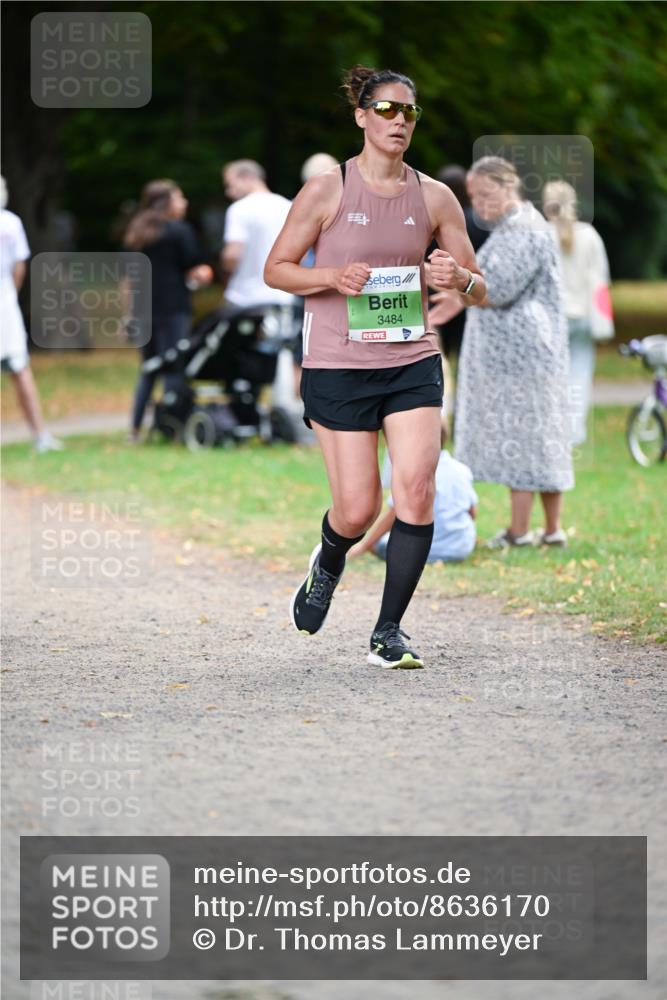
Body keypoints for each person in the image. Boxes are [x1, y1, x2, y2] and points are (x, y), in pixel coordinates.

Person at [264, 65, 485, 668]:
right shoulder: (328, 190)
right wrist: (331, 276)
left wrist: (456, 278)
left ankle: (388, 632)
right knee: (358, 509)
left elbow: (479, 287)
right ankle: (330, 557)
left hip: (411, 360)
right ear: (362, 117)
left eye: (409, 113)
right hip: (338, 363)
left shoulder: (435, 196)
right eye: (386, 110)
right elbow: (276, 268)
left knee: (417, 490)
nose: (399, 122)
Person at [451, 156, 574, 549]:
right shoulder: (514, 228)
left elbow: (495, 289)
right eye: (473, 197)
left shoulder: (523, 229)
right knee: (542, 437)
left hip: (523, 354)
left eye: (485, 195)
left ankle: (521, 532)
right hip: (528, 352)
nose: (479, 205)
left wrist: (455, 284)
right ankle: (550, 530)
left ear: (508, 187)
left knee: (524, 439)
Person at [123, 179, 211, 441]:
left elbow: (128, 279)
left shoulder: (136, 233)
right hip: (173, 308)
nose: (184, 203)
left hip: (143, 311)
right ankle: (174, 427)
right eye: (179, 198)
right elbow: (196, 269)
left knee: (148, 370)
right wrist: (201, 277)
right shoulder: (179, 231)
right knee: (174, 365)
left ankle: (135, 430)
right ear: (167, 202)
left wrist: (127, 315)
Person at [542, 179, 614, 445]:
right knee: (580, 374)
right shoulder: (590, 236)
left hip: (552, 317)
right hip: (583, 315)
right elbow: (601, 278)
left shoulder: (541, 235)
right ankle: (574, 433)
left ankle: (553, 429)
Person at [349, 428, 478, 564]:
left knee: (380, 543)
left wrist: (364, 546)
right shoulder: (462, 470)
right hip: (461, 549)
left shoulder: (413, 472)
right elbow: (473, 513)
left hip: (424, 550)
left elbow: (393, 515)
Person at [0, 175, 63, 453]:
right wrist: (10, 294)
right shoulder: (11, 223)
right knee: (20, 369)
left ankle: (40, 434)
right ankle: (40, 434)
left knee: (20, 368)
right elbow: (19, 266)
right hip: (5, 302)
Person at [429, 164, 489, 359]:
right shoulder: (479, 220)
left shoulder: (433, 219)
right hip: (468, 290)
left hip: (436, 290)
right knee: (465, 352)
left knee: (439, 352)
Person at [221, 160, 294, 310]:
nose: (229, 192)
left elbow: (232, 256)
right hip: (283, 297)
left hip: (244, 298)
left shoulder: (239, 209)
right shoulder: (287, 206)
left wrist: (223, 269)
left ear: (247, 178)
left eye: (230, 184)